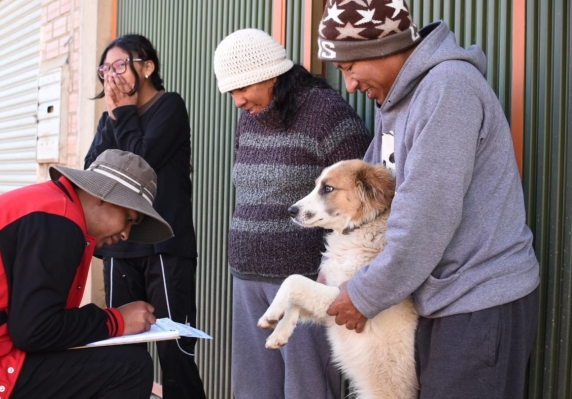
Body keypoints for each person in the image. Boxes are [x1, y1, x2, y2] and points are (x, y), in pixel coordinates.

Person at [317, 1, 540, 398]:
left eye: (350, 68)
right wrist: (335, 273)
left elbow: (424, 217)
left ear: (384, 47)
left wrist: (366, 293)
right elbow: (374, 207)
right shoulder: (397, 103)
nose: (350, 84)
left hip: (478, 300)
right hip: (438, 299)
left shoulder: (447, 88)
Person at [0, 150, 173, 399]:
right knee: (131, 368)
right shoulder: (59, 223)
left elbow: (34, 326)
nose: (126, 234)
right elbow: (35, 331)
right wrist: (115, 321)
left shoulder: (50, 207)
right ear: (102, 196)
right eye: (129, 219)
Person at [213, 28, 371, 399]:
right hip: (248, 278)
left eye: (242, 89)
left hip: (303, 283)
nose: (237, 101)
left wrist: (341, 273)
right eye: (231, 92)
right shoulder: (250, 116)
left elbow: (364, 203)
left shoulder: (326, 114)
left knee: (308, 391)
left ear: (270, 74)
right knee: (254, 391)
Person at [83, 34, 206, 399]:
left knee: (174, 349)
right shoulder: (112, 118)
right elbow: (94, 170)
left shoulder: (169, 106)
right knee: (123, 351)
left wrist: (122, 113)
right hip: (120, 248)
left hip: (165, 245)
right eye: (106, 69)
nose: (111, 76)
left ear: (147, 66)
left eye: (120, 65)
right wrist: (115, 116)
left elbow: (140, 163)